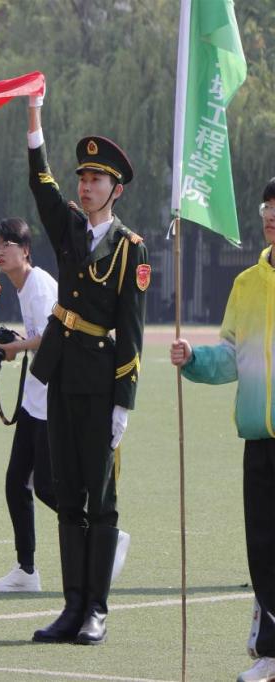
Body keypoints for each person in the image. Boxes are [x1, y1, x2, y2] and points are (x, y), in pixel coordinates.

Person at [26, 90, 147, 646]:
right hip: (62, 377)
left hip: (100, 383)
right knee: (67, 493)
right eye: (83, 178)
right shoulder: (70, 228)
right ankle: (71, 605)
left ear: (116, 189)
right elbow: (41, 184)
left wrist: (124, 404)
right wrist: (35, 116)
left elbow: (132, 332)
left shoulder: (129, 248)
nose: (86, 186)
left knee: (100, 500)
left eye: (96, 179)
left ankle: (96, 607)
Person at [170, 181, 275, 682]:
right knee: (264, 548)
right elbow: (232, 356)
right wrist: (194, 358)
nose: (271, 216)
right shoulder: (246, 284)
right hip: (258, 438)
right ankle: (271, 652)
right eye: (267, 207)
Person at [0, 218, 58, 592]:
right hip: (34, 400)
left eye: (7, 244)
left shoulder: (38, 284)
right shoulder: (22, 286)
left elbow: (51, 336)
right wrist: (17, 343)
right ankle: (26, 571)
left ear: (26, 250)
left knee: (45, 486)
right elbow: (37, 336)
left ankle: (102, 531)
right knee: (16, 483)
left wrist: (15, 346)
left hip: (51, 401)